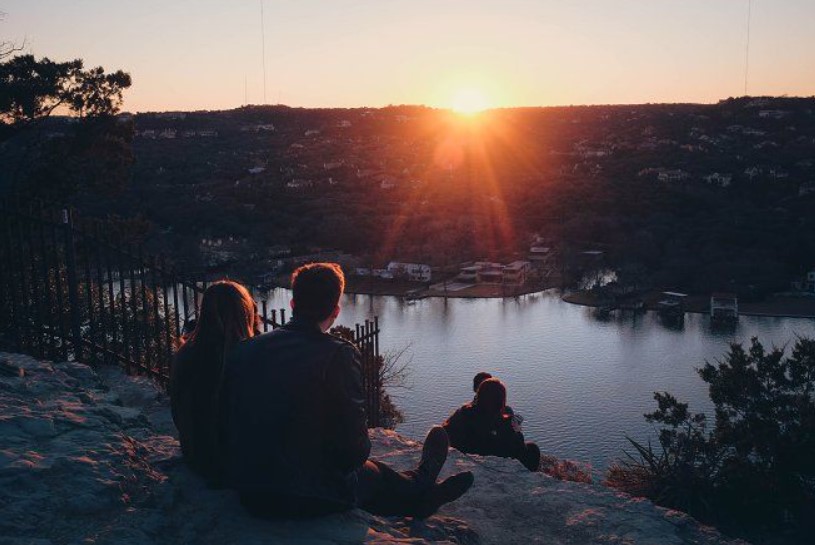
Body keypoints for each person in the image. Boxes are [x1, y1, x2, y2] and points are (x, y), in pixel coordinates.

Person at [223, 262, 473, 518]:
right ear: (336, 310)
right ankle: (420, 484)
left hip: (252, 493)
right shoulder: (338, 353)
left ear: (293, 305)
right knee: (369, 473)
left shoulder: (246, 350)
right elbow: (353, 451)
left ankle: (421, 499)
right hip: (312, 496)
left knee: (362, 476)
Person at [170, 280, 259, 485]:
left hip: (197, 458)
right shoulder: (249, 356)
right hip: (237, 464)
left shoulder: (185, 354)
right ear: (245, 312)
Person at [444, 377, 541, 472]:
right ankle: (532, 476)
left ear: (479, 395)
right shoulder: (506, 423)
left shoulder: (464, 412)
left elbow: (446, 430)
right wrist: (517, 430)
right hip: (496, 455)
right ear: (502, 400)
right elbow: (519, 447)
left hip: (469, 451)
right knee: (532, 448)